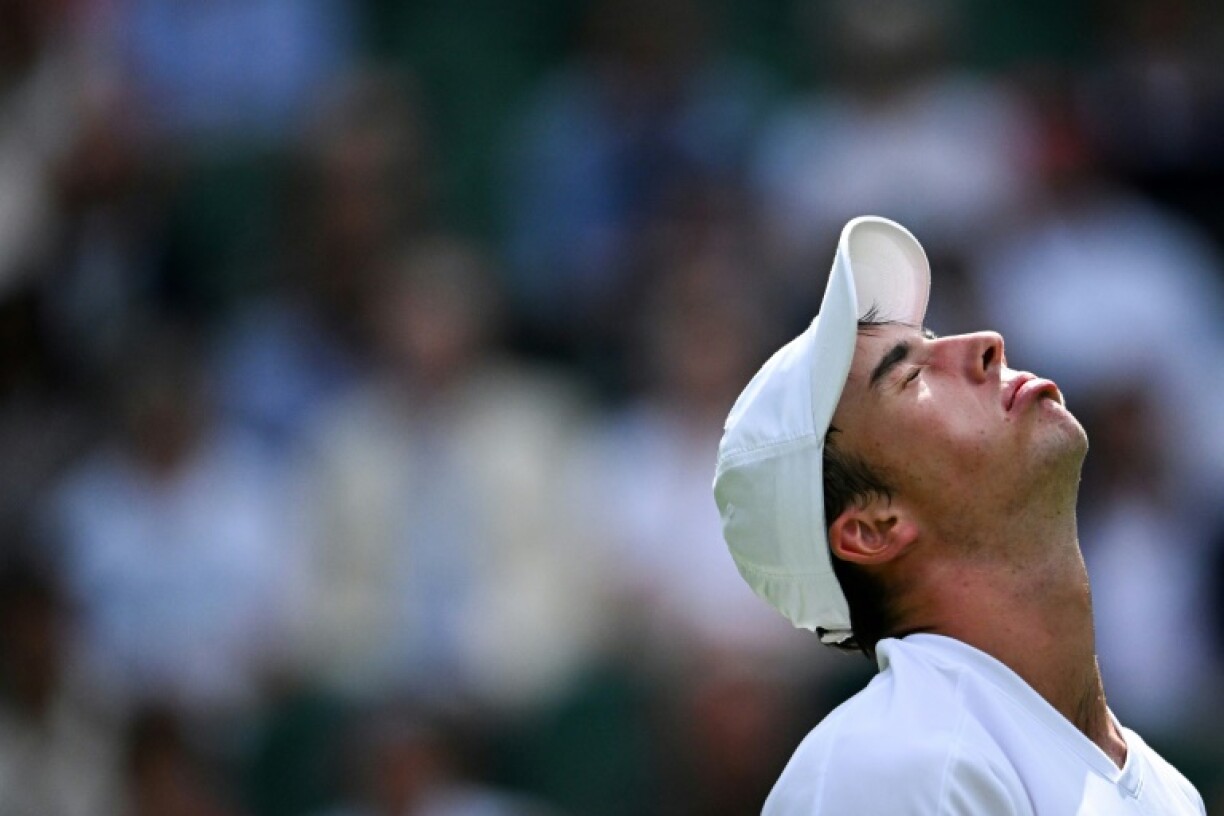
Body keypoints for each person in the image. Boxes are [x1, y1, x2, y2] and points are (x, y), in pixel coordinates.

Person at [712, 216, 1206, 813]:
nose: (986, 342)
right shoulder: (886, 769)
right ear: (872, 529)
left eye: (932, 336)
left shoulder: (1169, 790)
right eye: (911, 374)